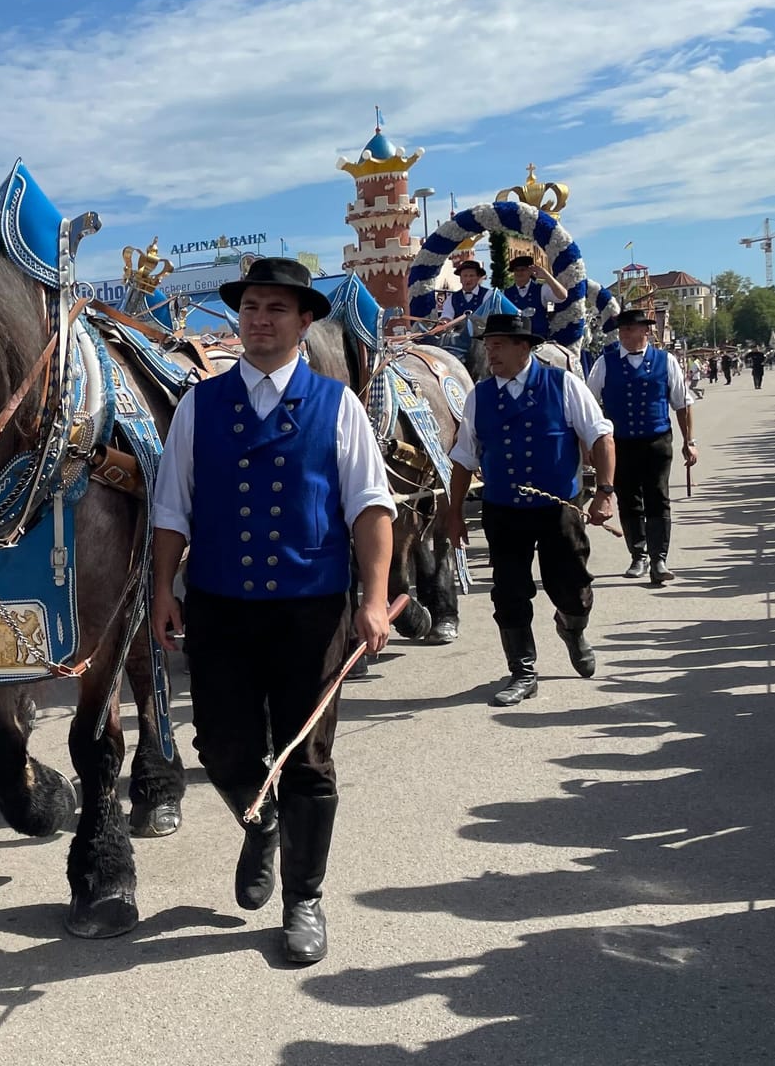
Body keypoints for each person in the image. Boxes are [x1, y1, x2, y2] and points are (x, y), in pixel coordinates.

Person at [148, 257, 395, 966]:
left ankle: (304, 899)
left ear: (304, 322)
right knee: (221, 748)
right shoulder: (200, 404)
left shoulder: (337, 404)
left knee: (309, 761)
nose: (259, 319)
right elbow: (172, 508)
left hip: (311, 612)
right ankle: (260, 827)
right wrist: (165, 588)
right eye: (251, 306)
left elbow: (371, 507)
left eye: (276, 309)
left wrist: (373, 599)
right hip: (220, 606)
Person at [444, 312, 617, 707]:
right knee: (508, 592)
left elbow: (601, 436)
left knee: (572, 590)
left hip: (558, 509)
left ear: (525, 347)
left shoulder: (564, 385)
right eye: (488, 346)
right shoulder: (479, 396)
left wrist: (605, 491)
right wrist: (453, 513)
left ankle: (572, 627)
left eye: (499, 345)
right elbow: (463, 458)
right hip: (503, 511)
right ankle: (522, 671)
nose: (491, 353)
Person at [586, 309, 698, 584]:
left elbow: (682, 403)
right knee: (628, 498)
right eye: (622, 330)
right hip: (620, 442)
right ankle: (639, 555)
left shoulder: (665, 361)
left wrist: (689, 442)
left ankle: (660, 558)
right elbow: (589, 404)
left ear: (645, 331)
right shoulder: (605, 362)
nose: (624, 334)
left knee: (658, 497)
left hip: (656, 439)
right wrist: (590, 445)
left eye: (630, 329)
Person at [435, 259, 517, 364]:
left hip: (484, 341)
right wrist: (444, 323)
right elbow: (447, 316)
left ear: (478, 278)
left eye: (471, 276)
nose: (468, 279)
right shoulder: (451, 298)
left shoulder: (488, 295)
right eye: (465, 276)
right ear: (460, 279)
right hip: (459, 342)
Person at [501, 255, 568, 342]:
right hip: (515, 341)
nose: (519, 273)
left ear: (530, 271)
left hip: (538, 340)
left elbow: (562, 296)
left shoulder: (542, 289)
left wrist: (547, 276)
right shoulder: (505, 294)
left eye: (523, 269)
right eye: (516, 270)